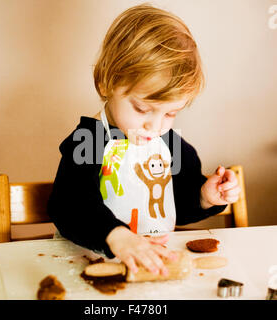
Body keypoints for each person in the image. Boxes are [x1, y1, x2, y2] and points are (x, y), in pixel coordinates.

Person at [47, 4, 240, 276]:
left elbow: (175, 207)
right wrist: (118, 237)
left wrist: (205, 196)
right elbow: (69, 205)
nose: (155, 125)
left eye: (171, 113)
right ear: (106, 84)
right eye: (142, 109)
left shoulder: (170, 145)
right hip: (88, 267)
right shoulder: (88, 140)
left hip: (149, 269)